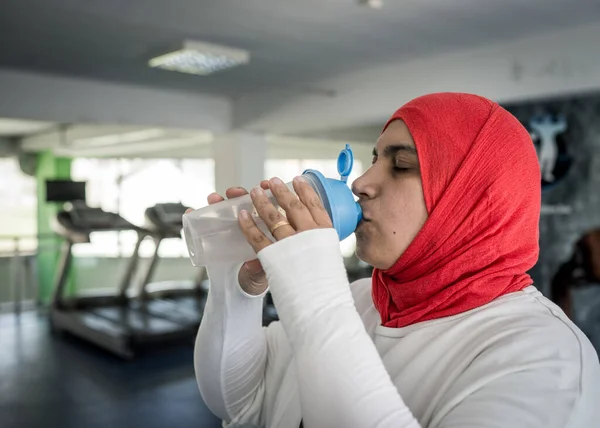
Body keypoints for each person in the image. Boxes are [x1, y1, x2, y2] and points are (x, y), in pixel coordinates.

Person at [193, 93, 600, 428]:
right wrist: (236, 286)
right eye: (374, 160)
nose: (361, 183)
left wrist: (314, 292)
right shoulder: (359, 299)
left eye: (401, 165)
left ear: (471, 201)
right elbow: (241, 402)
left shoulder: (546, 358)